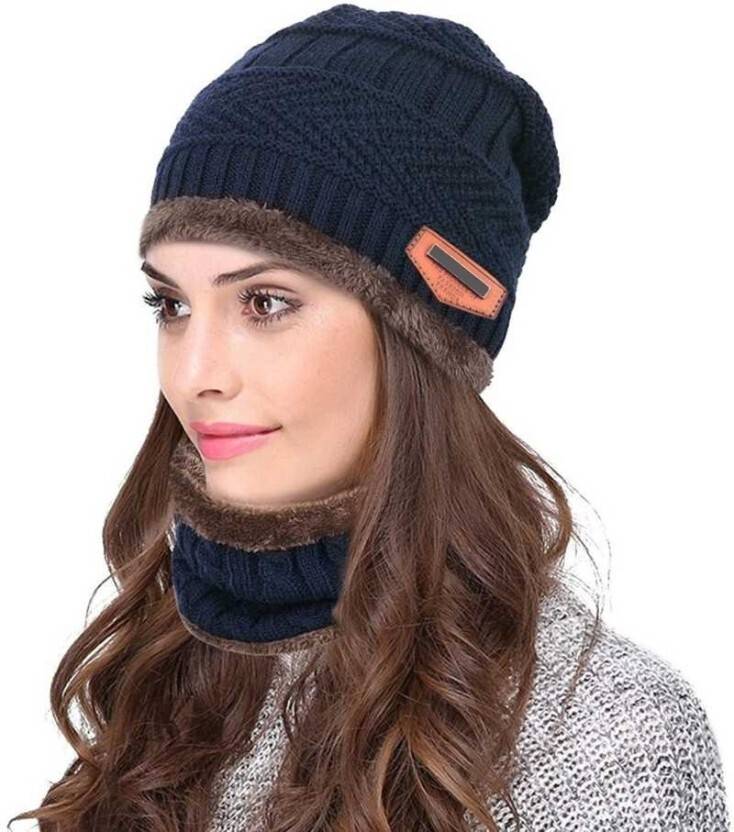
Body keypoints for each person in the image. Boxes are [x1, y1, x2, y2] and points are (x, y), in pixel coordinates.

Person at [10, 4, 729, 831]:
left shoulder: (603, 739)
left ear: (423, 331)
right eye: (170, 304)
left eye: (265, 302)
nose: (194, 376)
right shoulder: (162, 672)